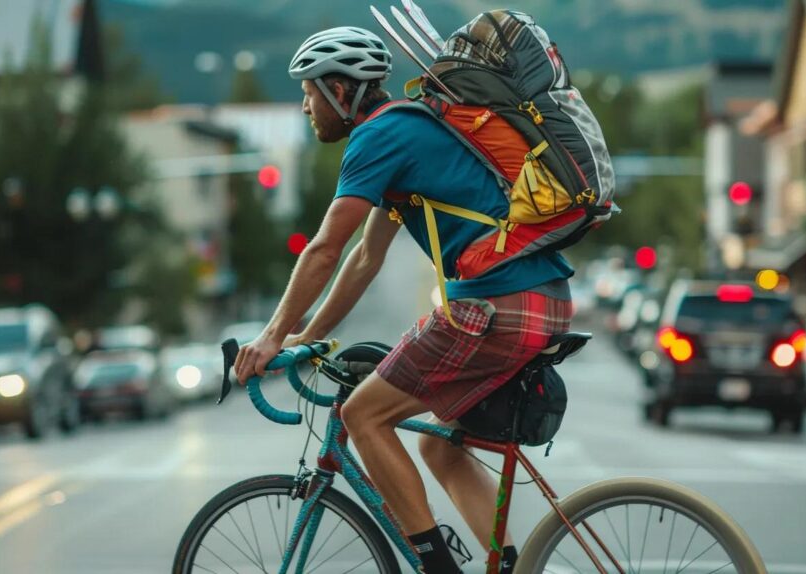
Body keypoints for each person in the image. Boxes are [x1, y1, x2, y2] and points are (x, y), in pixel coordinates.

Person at [233, 26, 574, 574]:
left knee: (363, 415)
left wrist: (272, 334)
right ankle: (511, 567)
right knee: (441, 446)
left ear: (341, 91)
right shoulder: (413, 132)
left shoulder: (380, 137)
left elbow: (325, 249)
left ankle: (436, 567)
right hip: (542, 299)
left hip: (495, 306)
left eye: (309, 92)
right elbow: (365, 259)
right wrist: (309, 335)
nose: (304, 106)